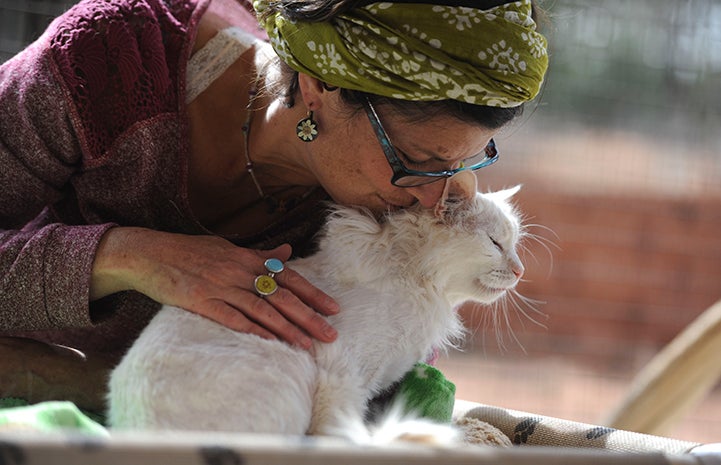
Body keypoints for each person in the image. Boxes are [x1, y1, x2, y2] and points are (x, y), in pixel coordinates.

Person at [0, 0, 548, 412]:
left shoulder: (389, 210)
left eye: (467, 164)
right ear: (318, 87)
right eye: (415, 158)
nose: (437, 199)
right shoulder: (112, 58)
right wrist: (130, 256)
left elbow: (366, 382)